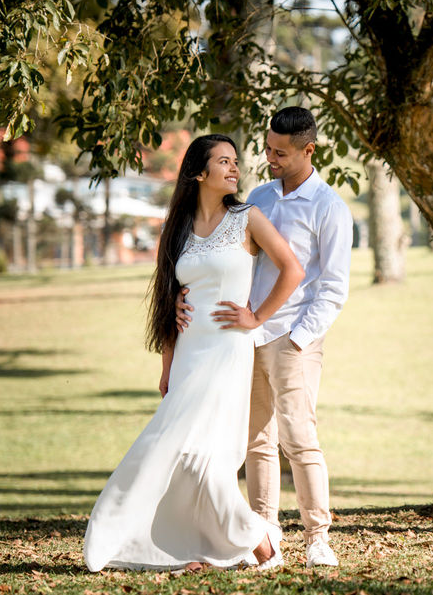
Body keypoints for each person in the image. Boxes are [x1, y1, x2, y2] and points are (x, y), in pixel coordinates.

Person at [83, 134, 305, 572]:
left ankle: (259, 540)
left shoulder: (248, 218)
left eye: (236, 161)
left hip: (226, 354)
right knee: (171, 448)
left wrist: (256, 317)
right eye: (224, 161)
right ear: (199, 172)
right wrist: (167, 370)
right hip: (188, 354)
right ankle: (211, 539)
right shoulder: (176, 229)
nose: (234, 168)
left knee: (204, 456)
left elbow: (292, 269)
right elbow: (169, 304)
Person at [177, 107, 352, 568]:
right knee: (257, 440)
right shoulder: (258, 198)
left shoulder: (329, 207)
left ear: (307, 150)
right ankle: (265, 528)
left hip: (293, 337)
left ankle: (318, 537)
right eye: (268, 148)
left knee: (299, 438)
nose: (270, 158)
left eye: (281, 152)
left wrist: (298, 338)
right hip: (245, 337)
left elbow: (333, 287)